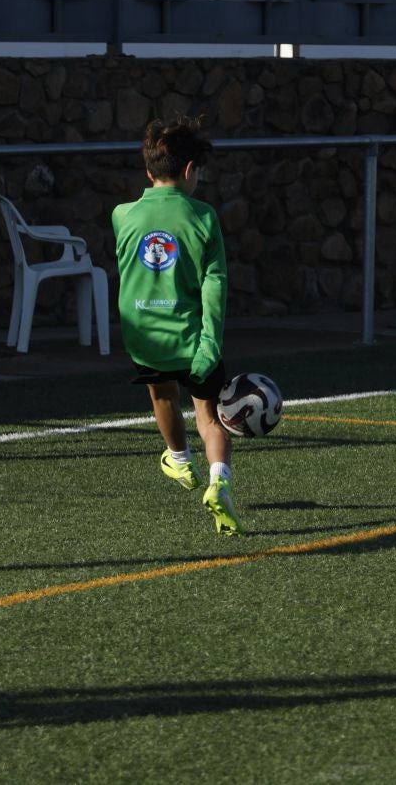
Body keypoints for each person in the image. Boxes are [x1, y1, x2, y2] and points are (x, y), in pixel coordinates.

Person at [110, 116, 239, 534]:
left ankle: (179, 460)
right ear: (189, 171)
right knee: (210, 419)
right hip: (193, 342)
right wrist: (210, 346)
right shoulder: (203, 217)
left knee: (162, 396)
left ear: (149, 173)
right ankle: (219, 481)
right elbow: (214, 287)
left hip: (144, 339)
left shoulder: (122, 215)